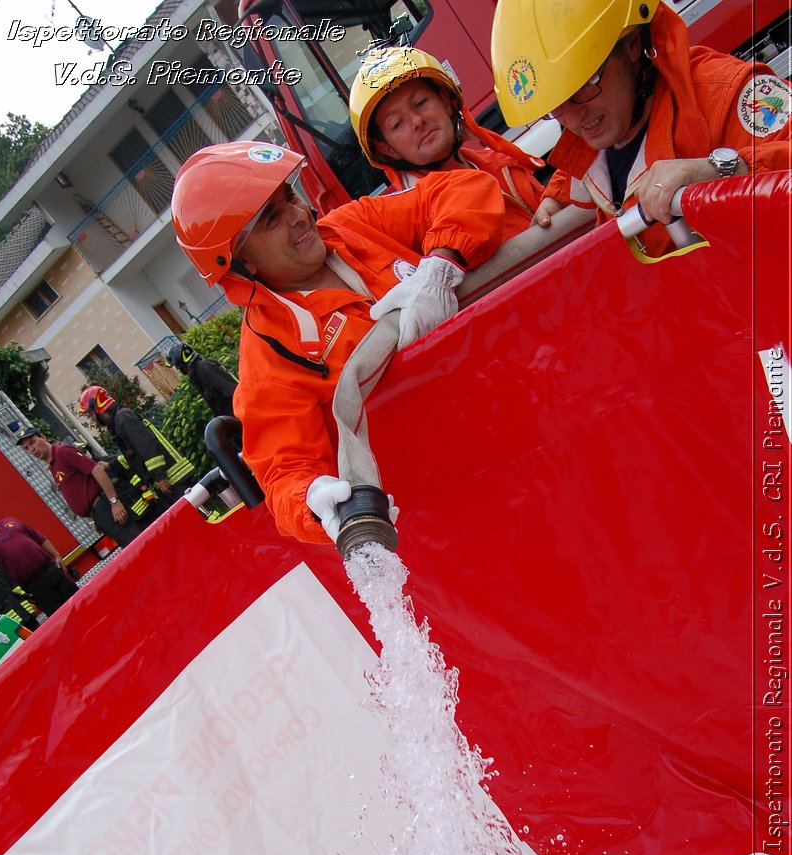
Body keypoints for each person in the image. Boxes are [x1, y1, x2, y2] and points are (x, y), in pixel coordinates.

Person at [171, 140, 507, 544]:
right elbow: (286, 471)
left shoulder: (351, 226)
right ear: (242, 264)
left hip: (508, 401)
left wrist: (442, 263)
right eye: (271, 218)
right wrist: (316, 500)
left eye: (290, 195)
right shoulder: (269, 359)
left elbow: (465, 189)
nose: (298, 216)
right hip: (454, 495)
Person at [491, 0, 791, 244]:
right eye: (554, 107)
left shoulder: (721, 92)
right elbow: (576, 172)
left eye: (583, 86)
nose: (572, 119)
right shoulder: (590, 148)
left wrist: (721, 169)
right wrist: (555, 202)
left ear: (632, 44)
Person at [349, 45, 546, 238]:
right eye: (397, 123)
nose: (417, 121)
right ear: (387, 149)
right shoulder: (419, 227)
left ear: (445, 101)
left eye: (421, 103)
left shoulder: (502, 164)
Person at [15, 427, 151, 549]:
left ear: (43, 437)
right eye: (26, 448)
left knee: (142, 545)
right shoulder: (53, 465)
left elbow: (97, 470)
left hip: (107, 507)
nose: (31, 449)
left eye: (32, 442)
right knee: (133, 548)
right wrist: (95, 519)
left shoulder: (62, 452)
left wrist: (114, 502)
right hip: (100, 514)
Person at [78, 386, 196, 507]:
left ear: (97, 408)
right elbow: (134, 455)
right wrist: (110, 465)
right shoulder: (119, 421)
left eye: (90, 413)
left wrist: (160, 476)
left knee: (200, 514)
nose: (92, 418)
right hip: (170, 479)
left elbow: (148, 445)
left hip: (173, 477)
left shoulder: (123, 418)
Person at [0, 517, 77, 617]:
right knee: (62, 617)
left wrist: (57, 555)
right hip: (34, 586)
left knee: (80, 599)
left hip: (51, 570)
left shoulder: (10, 521)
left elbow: (39, 538)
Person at [166, 342, 237, 419]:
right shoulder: (196, 376)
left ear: (183, 361)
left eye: (177, 365)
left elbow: (232, 390)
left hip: (239, 413)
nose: (177, 368)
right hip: (230, 418)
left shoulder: (206, 367)